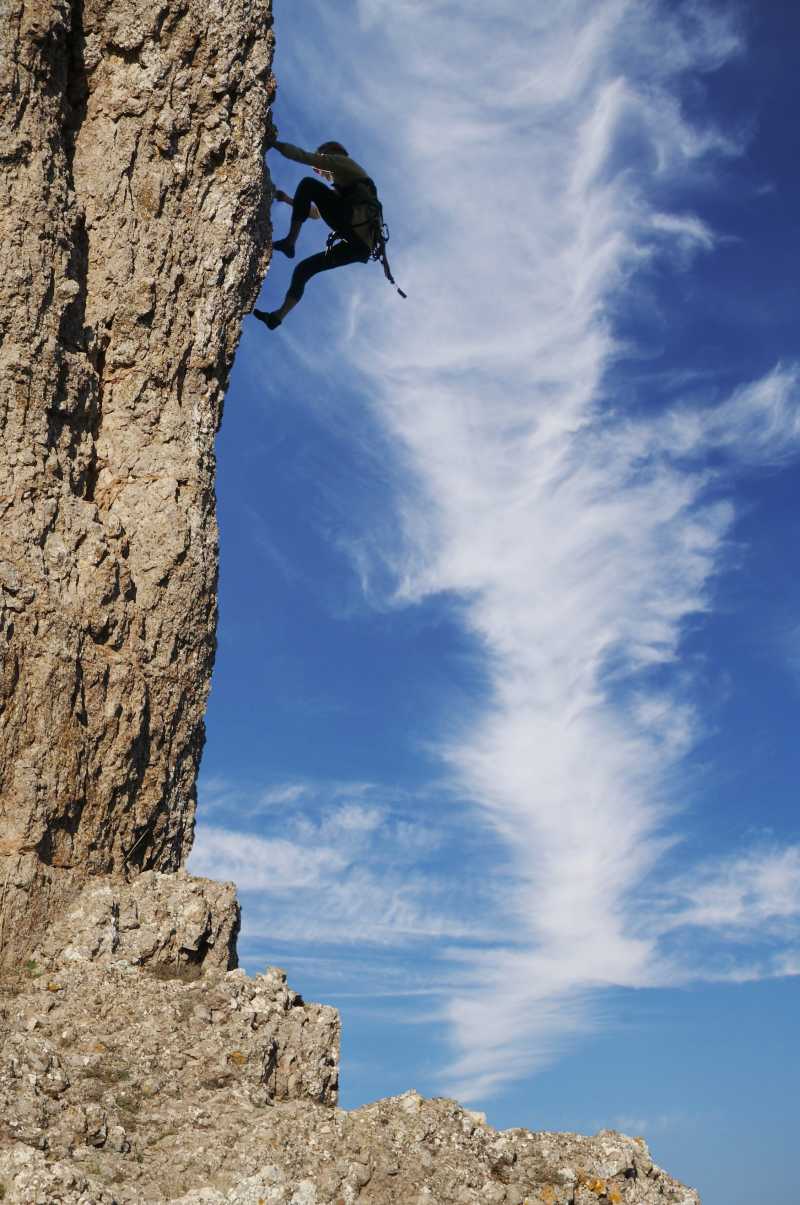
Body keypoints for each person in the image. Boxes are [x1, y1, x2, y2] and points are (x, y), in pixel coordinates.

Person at [253, 139, 380, 330]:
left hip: (353, 224)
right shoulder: (347, 184)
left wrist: (273, 142)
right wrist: (287, 199)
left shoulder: (341, 162)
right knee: (304, 269)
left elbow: (303, 157)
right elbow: (314, 214)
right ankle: (277, 317)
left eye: (321, 158)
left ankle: (290, 241)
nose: (317, 167)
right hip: (360, 246)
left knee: (308, 184)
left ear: (333, 151)